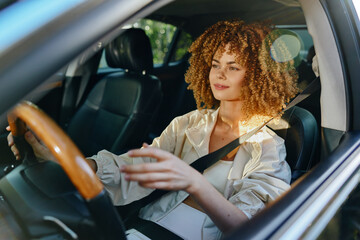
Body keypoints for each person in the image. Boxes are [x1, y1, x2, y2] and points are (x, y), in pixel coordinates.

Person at [7, 20, 298, 240]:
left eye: (233, 67)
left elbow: (250, 229)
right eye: (215, 64)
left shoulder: (267, 145)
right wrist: (69, 163)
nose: (220, 74)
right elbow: (134, 167)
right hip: (142, 227)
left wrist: (193, 182)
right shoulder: (188, 123)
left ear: (257, 76)